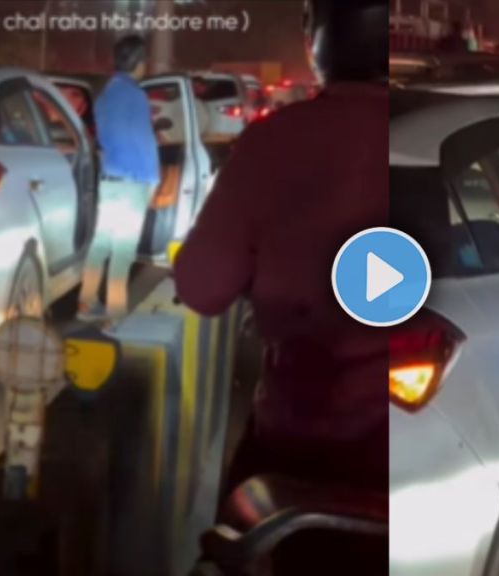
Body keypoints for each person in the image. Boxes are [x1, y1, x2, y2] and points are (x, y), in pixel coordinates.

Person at [173, 0, 386, 572]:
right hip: (447, 447)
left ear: (319, 38)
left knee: (231, 539)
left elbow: (201, 287)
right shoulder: (448, 135)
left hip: (308, 455)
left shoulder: (277, 142)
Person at [79, 35, 159, 320]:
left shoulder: (104, 97)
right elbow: (144, 141)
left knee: (100, 244)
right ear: (137, 62)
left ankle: (86, 304)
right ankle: (115, 313)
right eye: (144, 60)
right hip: (132, 184)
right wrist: (153, 181)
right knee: (123, 251)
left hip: (110, 182)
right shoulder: (136, 96)